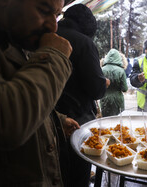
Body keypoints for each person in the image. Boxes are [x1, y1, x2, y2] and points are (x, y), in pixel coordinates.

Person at [0, 0, 80, 186]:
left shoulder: (13, 41)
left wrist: (54, 120)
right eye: (43, 10)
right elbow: (7, 120)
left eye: (57, 15)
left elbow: (17, 88)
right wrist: (54, 55)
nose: (53, 26)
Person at [55, 4, 107, 187]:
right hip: (76, 123)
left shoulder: (44, 37)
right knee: (77, 179)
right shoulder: (84, 42)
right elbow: (96, 89)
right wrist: (104, 82)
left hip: (46, 121)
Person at [100, 49, 128, 116]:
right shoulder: (121, 70)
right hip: (118, 99)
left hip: (105, 98)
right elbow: (125, 89)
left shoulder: (101, 69)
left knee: (105, 120)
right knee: (118, 120)